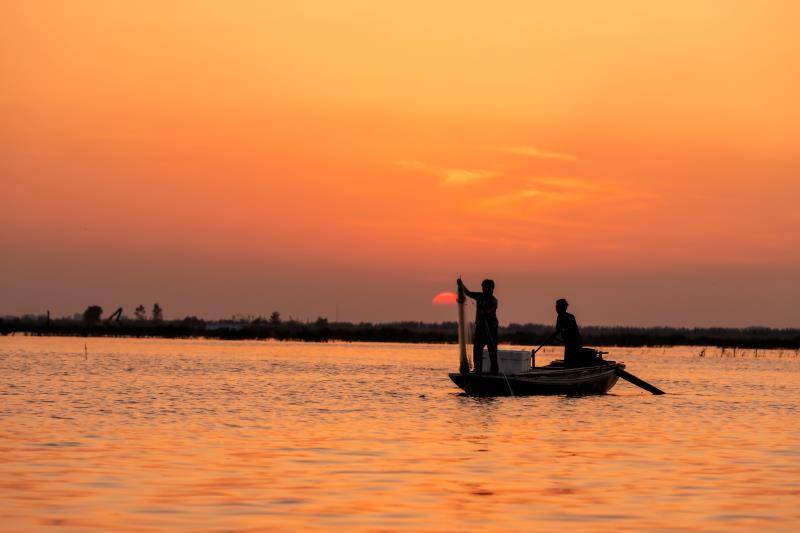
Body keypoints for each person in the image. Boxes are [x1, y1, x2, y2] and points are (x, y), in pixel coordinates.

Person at [457, 278, 499, 374]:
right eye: (483, 288)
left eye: (487, 288)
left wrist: (486, 312)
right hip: (480, 327)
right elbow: (467, 293)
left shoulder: (494, 300)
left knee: (492, 350)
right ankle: (478, 369)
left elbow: (492, 309)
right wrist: (461, 284)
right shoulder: (479, 296)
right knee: (477, 349)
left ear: (492, 289)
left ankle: (494, 371)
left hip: (491, 328)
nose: (485, 290)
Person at [544, 298, 594, 367]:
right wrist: (552, 337)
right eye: (556, 306)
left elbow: (567, 330)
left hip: (575, 342)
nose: (556, 308)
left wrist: (552, 337)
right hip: (568, 343)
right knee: (568, 362)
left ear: (563, 307)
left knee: (571, 362)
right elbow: (558, 330)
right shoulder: (559, 316)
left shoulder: (569, 317)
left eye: (558, 306)